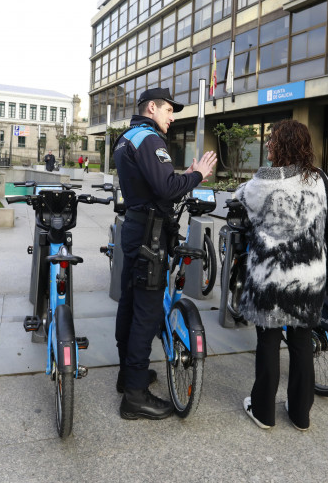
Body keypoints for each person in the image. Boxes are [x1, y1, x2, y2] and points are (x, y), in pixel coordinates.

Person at [113, 87, 216, 420]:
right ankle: (135, 397)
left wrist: (181, 176)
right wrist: (197, 174)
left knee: (130, 305)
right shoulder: (149, 139)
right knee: (146, 311)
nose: (172, 117)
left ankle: (129, 376)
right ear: (152, 107)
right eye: (169, 110)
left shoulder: (127, 137)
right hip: (150, 235)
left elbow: (155, 183)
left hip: (135, 228)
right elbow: (166, 189)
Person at [235, 119, 328, 432]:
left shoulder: (266, 179)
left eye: (271, 141)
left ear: (280, 146)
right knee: (302, 342)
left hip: (271, 278)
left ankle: (264, 411)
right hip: (310, 276)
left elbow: (241, 200)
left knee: (268, 341)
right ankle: (300, 414)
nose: (267, 146)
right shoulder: (321, 179)